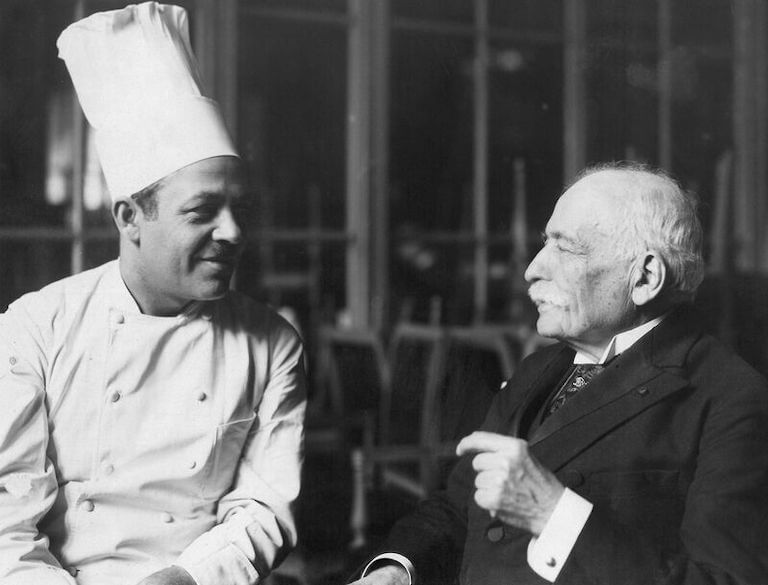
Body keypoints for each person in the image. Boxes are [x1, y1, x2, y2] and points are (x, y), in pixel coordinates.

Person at [0, 4, 306, 585]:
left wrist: (185, 580)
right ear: (130, 216)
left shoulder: (273, 345)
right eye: (202, 212)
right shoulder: (34, 328)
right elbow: (5, 525)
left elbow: (265, 508)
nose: (233, 232)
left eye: (238, 208)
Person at [351, 163, 768, 585]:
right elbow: (462, 507)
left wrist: (553, 514)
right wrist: (397, 570)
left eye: (565, 249)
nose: (532, 269)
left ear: (644, 277)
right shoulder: (538, 368)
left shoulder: (732, 399)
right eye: (543, 244)